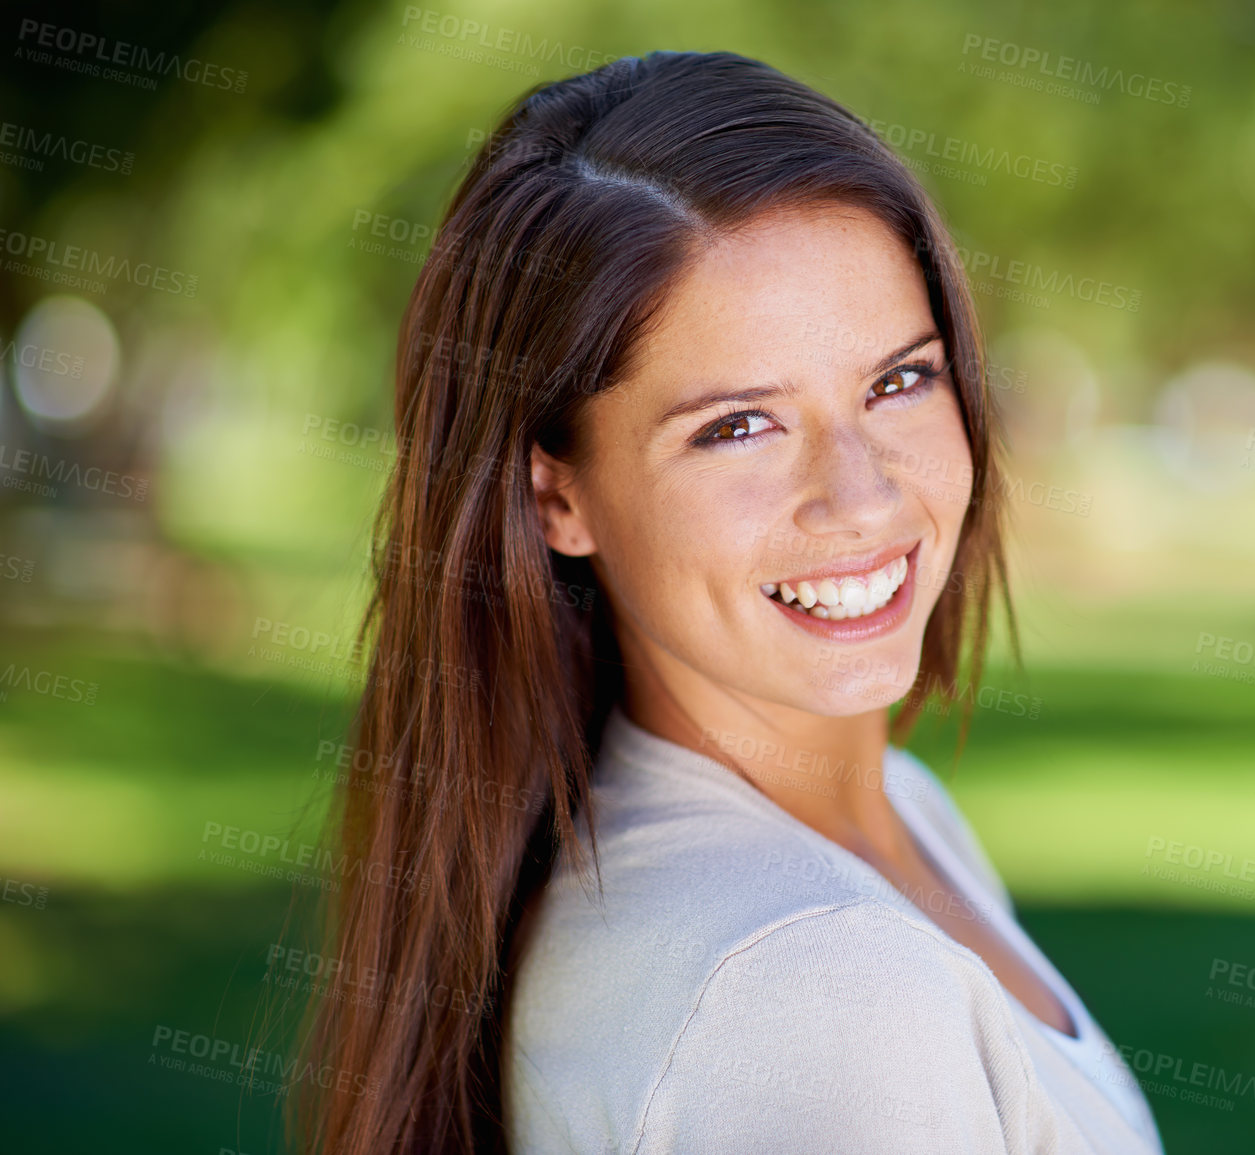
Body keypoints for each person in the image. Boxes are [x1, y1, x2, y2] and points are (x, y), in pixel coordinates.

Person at [293, 50, 1162, 1155]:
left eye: (899, 381)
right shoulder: (819, 986)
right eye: (738, 426)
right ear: (558, 496)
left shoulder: (898, 817)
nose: (860, 497)